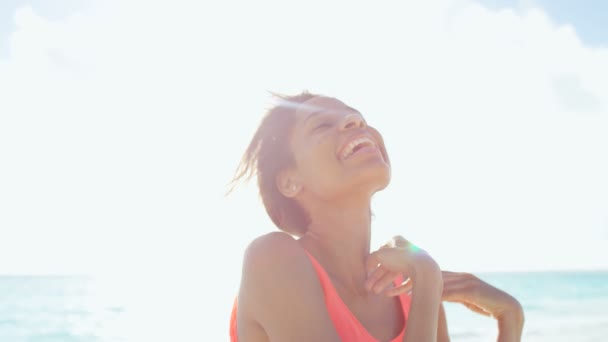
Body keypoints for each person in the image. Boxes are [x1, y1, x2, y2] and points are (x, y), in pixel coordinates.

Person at [229, 92, 524, 341]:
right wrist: (428, 279)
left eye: (357, 118)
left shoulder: (412, 291)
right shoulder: (271, 259)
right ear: (289, 181)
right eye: (321, 126)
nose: (355, 122)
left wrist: (510, 319)